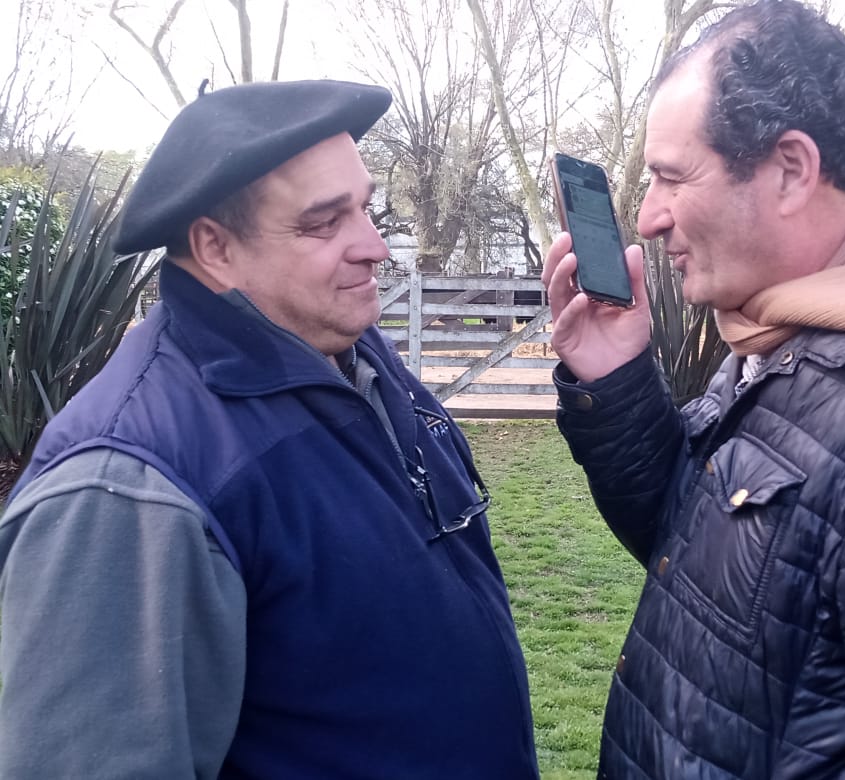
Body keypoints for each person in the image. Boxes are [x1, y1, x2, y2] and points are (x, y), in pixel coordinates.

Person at [542, 1, 845, 777]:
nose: (648, 217)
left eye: (672, 176)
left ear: (791, 170)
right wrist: (617, 379)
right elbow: (715, 564)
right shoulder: (793, 333)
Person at [0, 80, 539, 778]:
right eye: (324, 223)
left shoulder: (352, 353)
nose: (375, 246)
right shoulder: (124, 486)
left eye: (365, 208)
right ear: (215, 247)